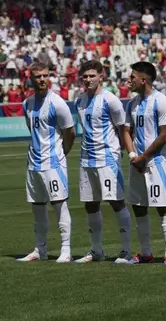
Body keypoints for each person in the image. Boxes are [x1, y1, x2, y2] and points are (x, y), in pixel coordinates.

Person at [74, 60, 132, 264]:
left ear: (101, 76)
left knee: (116, 202)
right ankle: (96, 250)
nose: (88, 79)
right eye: (85, 76)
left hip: (107, 158)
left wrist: (123, 152)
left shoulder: (111, 100)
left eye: (92, 75)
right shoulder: (79, 101)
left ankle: (126, 251)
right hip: (86, 158)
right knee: (90, 204)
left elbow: (122, 128)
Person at [17, 63, 75, 263]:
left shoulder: (57, 103)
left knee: (60, 205)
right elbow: (31, 129)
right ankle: (39, 250)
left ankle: (66, 250)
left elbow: (70, 132)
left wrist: (63, 152)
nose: (42, 79)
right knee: (38, 208)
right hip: (33, 164)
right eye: (38, 76)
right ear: (30, 78)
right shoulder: (27, 103)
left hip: (53, 164)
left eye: (45, 76)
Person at [122, 62, 166, 266]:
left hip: (156, 162)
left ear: (143, 80)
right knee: (138, 206)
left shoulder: (161, 101)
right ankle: (145, 252)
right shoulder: (131, 103)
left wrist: (144, 157)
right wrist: (132, 155)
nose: (129, 81)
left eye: (132, 77)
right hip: (137, 162)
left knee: (162, 206)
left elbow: (164, 135)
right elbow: (126, 131)